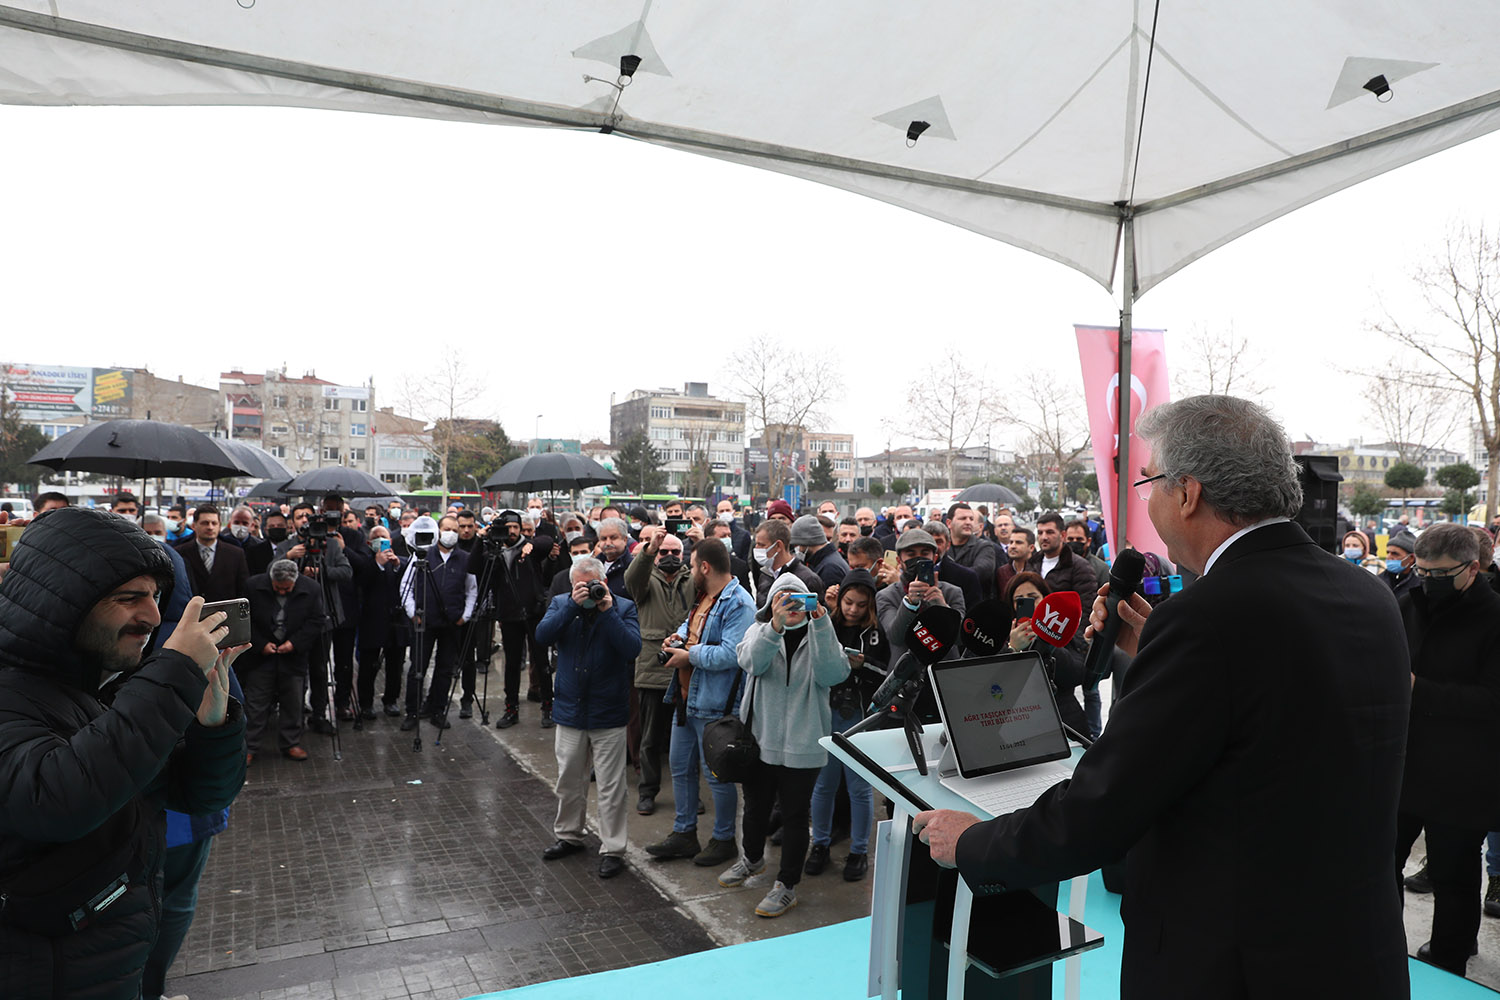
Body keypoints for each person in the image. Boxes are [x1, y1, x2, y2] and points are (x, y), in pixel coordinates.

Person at [912, 395, 1411, 999]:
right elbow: (1275, 722)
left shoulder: (1210, 618)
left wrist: (972, 843)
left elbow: (1102, 809)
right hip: (1353, 950)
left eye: (1150, 482)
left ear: (1188, 493)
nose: (1147, 501)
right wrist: (1156, 648)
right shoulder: (1366, 594)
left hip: (1234, 965)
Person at [0, 507, 247, 999]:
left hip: (106, 960)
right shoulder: (12, 689)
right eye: (128, 598)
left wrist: (211, 725)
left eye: (155, 597)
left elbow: (198, 797)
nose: (154, 617)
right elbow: (57, 797)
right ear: (65, 604)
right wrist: (173, 672)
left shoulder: (106, 681)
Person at [1393, 522, 1500, 975]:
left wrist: (1419, 689)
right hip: (1402, 764)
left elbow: (1493, 701)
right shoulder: (1407, 601)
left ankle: (1450, 959)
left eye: (1442, 575)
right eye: (1422, 573)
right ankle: (1384, 947)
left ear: (1473, 569)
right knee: (1382, 866)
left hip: (1463, 772)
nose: (1429, 583)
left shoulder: (1495, 618)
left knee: (1454, 876)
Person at [717, 574, 849, 918]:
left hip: (805, 743)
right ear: (771, 603)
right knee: (755, 808)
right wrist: (774, 626)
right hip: (759, 741)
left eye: (798, 599)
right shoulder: (758, 629)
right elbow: (751, 663)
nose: (791, 605)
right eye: (782, 599)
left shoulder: (820, 632)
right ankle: (752, 859)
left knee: (794, 815)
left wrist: (821, 624)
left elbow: (832, 674)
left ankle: (787, 885)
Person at [646, 537, 755, 867]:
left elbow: (731, 654)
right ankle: (684, 833)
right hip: (685, 699)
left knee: (717, 777)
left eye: (692, 565)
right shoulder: (705, 596)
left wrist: (688, 654)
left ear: (705, 567)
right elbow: (691, 627)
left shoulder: (740, 603)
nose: (689, 570)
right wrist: (678, 637)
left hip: (716, 706)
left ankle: (723, 840)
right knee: (680, 769)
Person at [536, 556, 641, 880]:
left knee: (612, 787)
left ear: (605, 582)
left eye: (595, 584)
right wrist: (571, 606)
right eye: (582, 585)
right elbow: (542, 636)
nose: (591, 590)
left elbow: (632, 648)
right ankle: (569, 835)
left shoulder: (622, 608)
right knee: (569, 780)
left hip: (608, 711)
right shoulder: (560, 604)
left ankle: (613, 849)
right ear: (572, 585)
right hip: (569, 710)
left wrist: (607, 611)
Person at [806, 568, 888, 883]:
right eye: (849, 602)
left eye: (861, 604)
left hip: (859, 715)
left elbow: (885, 674)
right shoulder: (828, 623)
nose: (853, 609)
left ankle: (858, 850)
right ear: (839, 600)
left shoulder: (876, 632)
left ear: (871, 606)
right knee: (823, 785)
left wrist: (862, 664)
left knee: (858, 787)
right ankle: (820, 844)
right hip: (826, 712)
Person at [623, 525, 694, 817]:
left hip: (687, 667)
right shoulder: (645, 578)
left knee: (687, 739)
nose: (669, 556)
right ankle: (648, 791)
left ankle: (688, 794)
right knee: (650, 738)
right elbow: (631, 580)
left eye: (675, 552)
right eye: (663, 552)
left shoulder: (693, 579)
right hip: (653, 668)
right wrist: (649, 549)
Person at [241, 559, 325, 761]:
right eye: (278, 588)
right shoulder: (253, 586)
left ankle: (291, 743)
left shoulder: (311, 588)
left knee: (294, 701)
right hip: (261, 656)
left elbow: (316, 621)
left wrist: (294, 644)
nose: (282, 592)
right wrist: (261, 645)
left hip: (293, 655)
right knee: (255, 702)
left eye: (286, 589)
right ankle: (249, 747)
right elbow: (244, 619)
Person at [399, 515, 477, 730]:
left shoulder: (465, 558)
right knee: (418, 668)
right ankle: (412, 712)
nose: (451, 533)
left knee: (444, 670)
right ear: (439, 530)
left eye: (455, 529)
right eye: (446, 528)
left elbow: (472, 590)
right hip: (424, 621)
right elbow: (406, 586)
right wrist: (413, 612)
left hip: (452, 623)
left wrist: (465, 615)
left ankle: (438, 710)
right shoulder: (422, 556)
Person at [1001, 571, 1088, 736]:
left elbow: (1076, 675)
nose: (1028, 603)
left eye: (1033, 598)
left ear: (1045, 599)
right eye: (1019, 600)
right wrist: (1013, 648)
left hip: (1064, 721)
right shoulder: (1003, 634)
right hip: (1020, 724)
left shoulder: (1060, 627)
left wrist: (1046, 641)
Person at [875, 528, 966, 664]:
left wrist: (941, 606)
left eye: (925, 553)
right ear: (899, 560)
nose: (918, 559)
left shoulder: (952, 592)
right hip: (905, 676)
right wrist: (910, 603)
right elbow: (895, 637)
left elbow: (960, 638)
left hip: (944, 672)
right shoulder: (887, 595)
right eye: (911, 554)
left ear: (934, 558)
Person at [356, 524, 407, 719]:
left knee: (395, 665)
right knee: (368, 666)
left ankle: (391, 700)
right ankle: (366, 704)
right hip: (372, 621)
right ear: (370, 543)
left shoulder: (400, 562)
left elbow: (407, 583)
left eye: (383, 537)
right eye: (376, 538)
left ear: (391, 541)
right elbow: (361, 584)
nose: (380, 540)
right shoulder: (366, 563)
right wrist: (377, 563)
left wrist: (395, 566)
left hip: (395, 622)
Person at [175, 504, 250, 604]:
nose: (210, 527)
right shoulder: (179, 553)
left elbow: (242, 588)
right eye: (205, 523)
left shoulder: (236, 554)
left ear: (219, 526)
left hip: (225, 614)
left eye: (214, 523)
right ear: (194, 525)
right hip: (190, 613)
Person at [1029, 512, 1098, 610]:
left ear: (1062, 535)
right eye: (1040, 533)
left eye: (1050, 532)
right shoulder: (1031, 564)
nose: (1044, 537)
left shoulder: (1080, 567)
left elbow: (1085, 609)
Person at [753, 518, 822, 608]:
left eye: (761, 545)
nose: (756, 548)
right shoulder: (766, 575)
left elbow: (815, 616)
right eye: (756, 544)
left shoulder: (808, 579)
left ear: (778, 546)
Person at [946, 503, 998, 601]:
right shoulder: (943, 547)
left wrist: (946, 573)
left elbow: (979, 573)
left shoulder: (984, 547)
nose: (968, 522)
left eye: (971, 519)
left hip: (974, 607)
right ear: (949, 523)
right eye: (963, 518)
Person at [790, 514, 849, 589]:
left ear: (807, 543)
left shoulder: (829, 569)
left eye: (797, 545)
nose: (797, 550)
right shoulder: (823, 562)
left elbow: (829, 599)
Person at [1380, 530, 1422, 599]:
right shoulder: (1379, 579)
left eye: (1395, 554)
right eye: (1388, 552)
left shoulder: (1420, 584)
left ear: (1411, 558)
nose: (1388, 557)